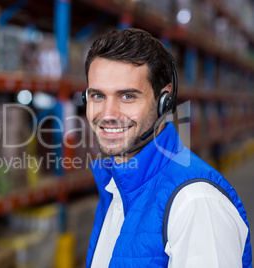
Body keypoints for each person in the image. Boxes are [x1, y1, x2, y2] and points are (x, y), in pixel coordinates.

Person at [83, 28, 252, 267]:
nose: (108, 114)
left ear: (164, 101)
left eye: (127, 96)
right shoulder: (116, 189)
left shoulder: (195, 202)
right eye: (98, 96)